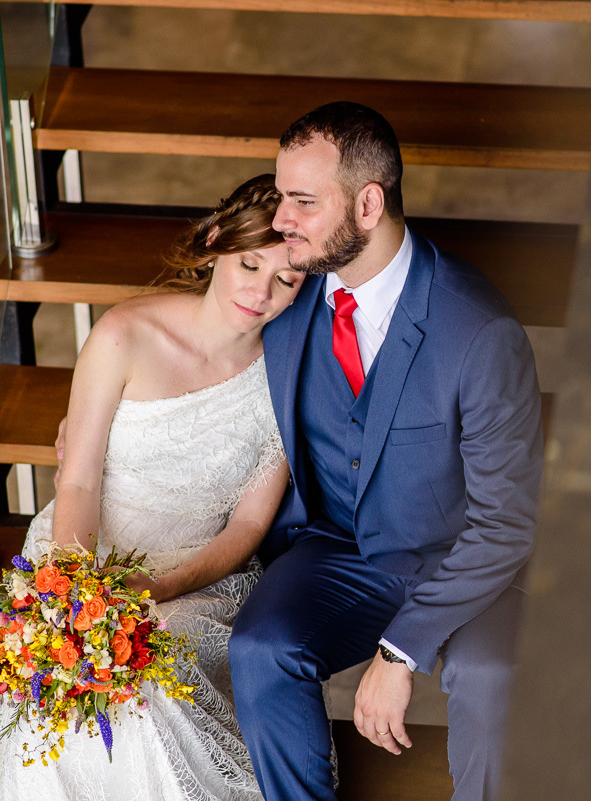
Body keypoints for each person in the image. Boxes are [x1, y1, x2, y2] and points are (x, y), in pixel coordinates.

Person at [0, 174, 304, 801]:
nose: (260, 291)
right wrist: (81, 600)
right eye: (248, 264)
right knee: (72, 696)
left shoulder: (288, 374)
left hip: (193, 578)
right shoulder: (123, 335)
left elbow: (247, 527)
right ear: (215, 241)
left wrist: (159, 590)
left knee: (142, 695)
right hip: (82, 549)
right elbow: (77, 477)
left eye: (286, 279)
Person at [229, 102, 544, 801]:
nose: (283, 220)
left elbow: (507, 523)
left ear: (368, 204)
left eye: (304, 202)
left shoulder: (478, 329)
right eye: (283, 197)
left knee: (493, 677)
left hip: (461, 561)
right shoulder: (291, 296)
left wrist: (399, 652)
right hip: (339, 547)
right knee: (259, 648)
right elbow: (205, 326)